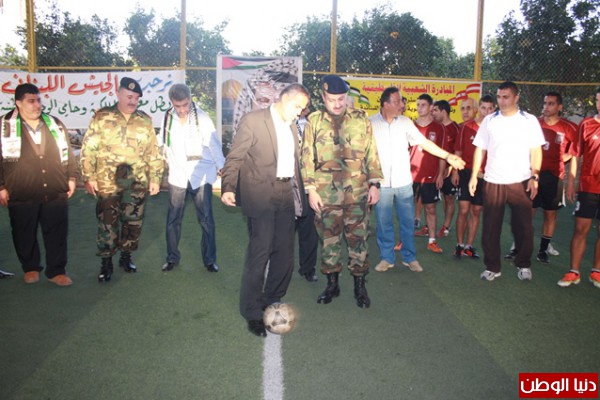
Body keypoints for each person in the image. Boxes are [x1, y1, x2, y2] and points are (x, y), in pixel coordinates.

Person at [221, 83, 310, 337]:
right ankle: (251, 312)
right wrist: (228, 187)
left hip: (285, 193)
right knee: (259, 254)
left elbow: (295, 162)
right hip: (260, 195)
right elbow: (235, 156)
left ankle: (272, 299)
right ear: (284, 99)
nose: (299, 112)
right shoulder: (253, 120)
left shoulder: (292, 126)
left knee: (284, 253)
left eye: (302, 109)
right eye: (297, 107)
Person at [301, 75, 383, 309]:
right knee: (329, 240)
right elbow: (306, 157)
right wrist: (310, 189)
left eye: (341, 99)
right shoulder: (314, 121)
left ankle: (360, 286)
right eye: (332, 99)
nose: (337, 104)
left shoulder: (361, 119)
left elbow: (372, 153)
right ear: (323, 97)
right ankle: (332, 284)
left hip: (357, 193)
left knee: (359, 240)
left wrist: (375, 184)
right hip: (325, 195)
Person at [372, 87, 465, 274]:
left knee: (407, 223)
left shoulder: (405, 122)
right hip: (381, 184)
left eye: (402, 101)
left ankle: (409, 257)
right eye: (397, 101)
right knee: (383, 223)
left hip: (404, 182)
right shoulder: (370, 123)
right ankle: (387, 258)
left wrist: (448, 156)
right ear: (386, 104)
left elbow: (425, 143)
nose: (402, 105)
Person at [80, 77, 164, 283]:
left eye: (135, 98)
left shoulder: (144, 120)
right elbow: (89, 148)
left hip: (136, 182)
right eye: (128, 96)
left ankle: (126, 256)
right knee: (107, 222)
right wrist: (89, 176)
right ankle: (106, 262)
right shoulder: (102, 117)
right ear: (118, 94)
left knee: (133, 221)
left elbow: (153, 152)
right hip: (107, 181)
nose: (132, 101)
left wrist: (156, 177)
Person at [0, 83, 76, 286]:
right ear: (18, 103)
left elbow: (68, 152)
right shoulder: (4, 126)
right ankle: (30, 268)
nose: (37, 105)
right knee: (24, 232)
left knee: (57, 232)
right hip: (21, 190)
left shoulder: (54, 123)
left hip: (54, 188)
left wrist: (71, 177)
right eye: (31, 101)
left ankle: (56, 271)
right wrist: (1, 187)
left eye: (39, 100)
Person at [469, 81, 545, 281]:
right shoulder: (489, 120)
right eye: (499, 97)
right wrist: (474, 175)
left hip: (520, 181)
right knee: (490, 228)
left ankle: (523, 264)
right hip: (493, 181)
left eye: (506, 97)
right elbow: (480, 149)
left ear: (516, 97)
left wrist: (534, 176)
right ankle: (492, 267)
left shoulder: (529, 120)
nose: (501, 101)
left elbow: (536, 150)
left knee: (524, 227)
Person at [158, 84, 225, 273]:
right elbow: (162, 142)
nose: (181, 110)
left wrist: (222, 166)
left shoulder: (202, 118)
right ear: (172, 103)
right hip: (177, 176)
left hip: (200, 176)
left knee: (206, 220)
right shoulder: (167, 117)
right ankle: (172, 258)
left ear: (190, 99)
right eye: (177, 106)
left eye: (185, 105)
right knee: (173, 220)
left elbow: (213, 144)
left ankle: (210, 260)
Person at [558, 87, 600, 288]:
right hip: (588, 186)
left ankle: (596, 271)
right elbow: (576, 155)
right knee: (580, 229)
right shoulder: (587, 124)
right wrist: (571, 182)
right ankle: (573, 271)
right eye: (598, 100)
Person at [452, 94, 495, 259]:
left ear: (494, 110)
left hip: (485, 175)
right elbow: (458, 151)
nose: (486, 111)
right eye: (483, 108)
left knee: (476, 210)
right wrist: (455, 171)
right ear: (478, 109)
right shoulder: (466, 127)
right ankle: (459, 244)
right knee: (464, 209)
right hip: (466, 172)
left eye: (490, 108)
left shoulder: (496, 129)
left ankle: (469, 246)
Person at [411, 94, 446, 253]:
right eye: (418, 105)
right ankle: (404, 240)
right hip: (410, 175)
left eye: (423, 105)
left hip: (430, 175)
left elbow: (442, 154)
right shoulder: (410, 126)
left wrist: (440, 175)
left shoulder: (439, 128)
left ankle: (432, 241)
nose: (419, 108)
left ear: (431, 107)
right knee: (407, 209)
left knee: (430, 208)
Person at [295, 103, 319, 282]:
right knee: (284, 232)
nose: (304, 109)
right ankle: (281, 269)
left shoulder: (314, 125)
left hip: (310, 185)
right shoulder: (283, 124)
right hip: (288, 185)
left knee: (309, 230)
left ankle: (308, 268)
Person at [432, 99, 460, 238]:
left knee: (449, 198)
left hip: (449, 171)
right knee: (443, 197)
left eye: (435, 110)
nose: (433, 113)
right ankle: (443, 224)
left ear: (443, 111)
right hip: (436, 170)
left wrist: (453, 171)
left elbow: (458, 151)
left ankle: (446, 226)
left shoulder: (455, 128)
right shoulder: (436, 127)